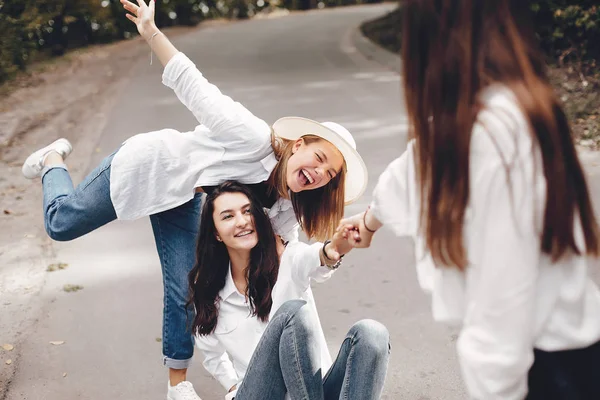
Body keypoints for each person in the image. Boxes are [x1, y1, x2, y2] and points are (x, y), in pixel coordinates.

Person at [20, 1, 367, 398]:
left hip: (186, 202)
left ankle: (177, 385)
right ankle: (51, 159)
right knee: (61, 223)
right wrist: (151, 31)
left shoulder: (287, 209)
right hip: (151, 168)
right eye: (319, 158)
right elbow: (193, 86)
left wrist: (330, 254)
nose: (319, 173)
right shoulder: (251, 136)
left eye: (329, 175)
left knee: (187, 285)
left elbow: (291, 266)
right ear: (299, 145)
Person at [340, 1, 600, 399]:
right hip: (559, 355)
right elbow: (407, 177)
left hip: (547, 372)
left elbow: (503, 308)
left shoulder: (493, 135)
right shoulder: (488, 114)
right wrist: (369, 221)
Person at [188, 181, 390, 400]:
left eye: (248, 211)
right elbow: (211, 354)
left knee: (372, 334)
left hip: (315, 390)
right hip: (259, 394)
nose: (242, 221)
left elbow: (318, 257)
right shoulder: (210, 292)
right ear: (216, 233)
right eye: (228, 216)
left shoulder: (287, 260)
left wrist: (334, 248)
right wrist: (232, 386)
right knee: (294, 312)